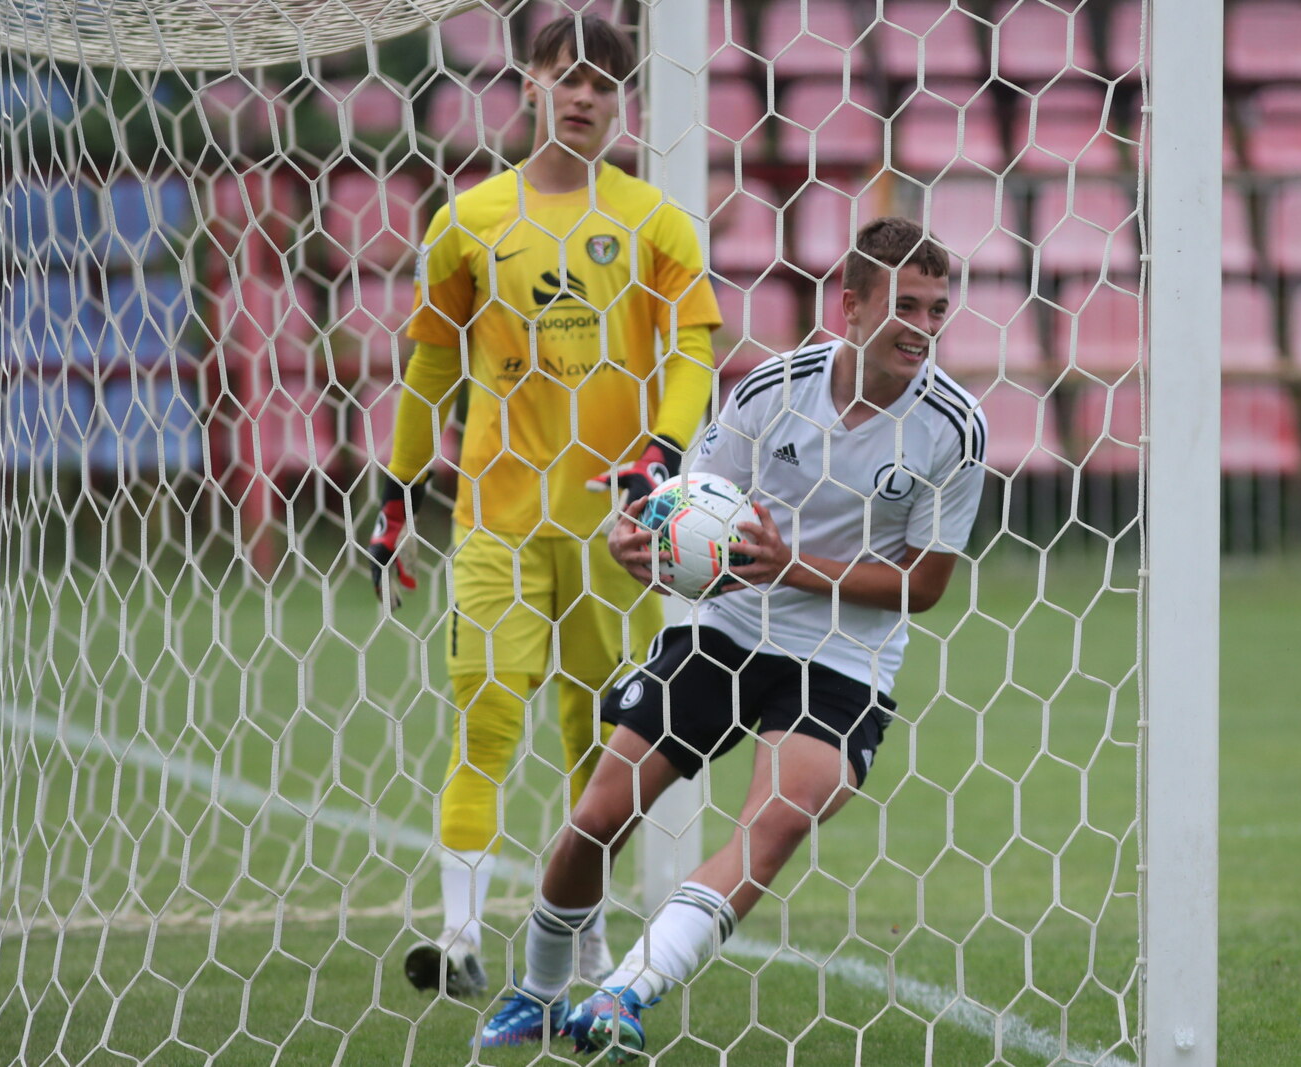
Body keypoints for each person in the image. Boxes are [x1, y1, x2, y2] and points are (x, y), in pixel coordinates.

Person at [475, 217, 987, 1056]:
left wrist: (791, 564)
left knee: (773, 823)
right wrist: (637, 538)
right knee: (601, 812)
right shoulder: (768, 391)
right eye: (909, 307)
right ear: (851, 306)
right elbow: (690, 507)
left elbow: (923, 587)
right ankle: (536, 988)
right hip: (728, 629)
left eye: (940, 310)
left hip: (844, 658)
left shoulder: (952, 427)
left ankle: (622, 995)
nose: (926, 329)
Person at [367, 13, 721, 998]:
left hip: (614, 525)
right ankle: (460, 934)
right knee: (484, 716)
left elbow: (693, 348)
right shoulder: (469, 221)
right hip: (494, 514)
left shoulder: (653, 221)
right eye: (569, 78)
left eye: (605, 84)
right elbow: (432, 364)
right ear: (530, 84)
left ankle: (586, 944)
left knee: (598, 739)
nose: (585, 97)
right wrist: (395, 493)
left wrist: (661, 449)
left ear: (622, 100)